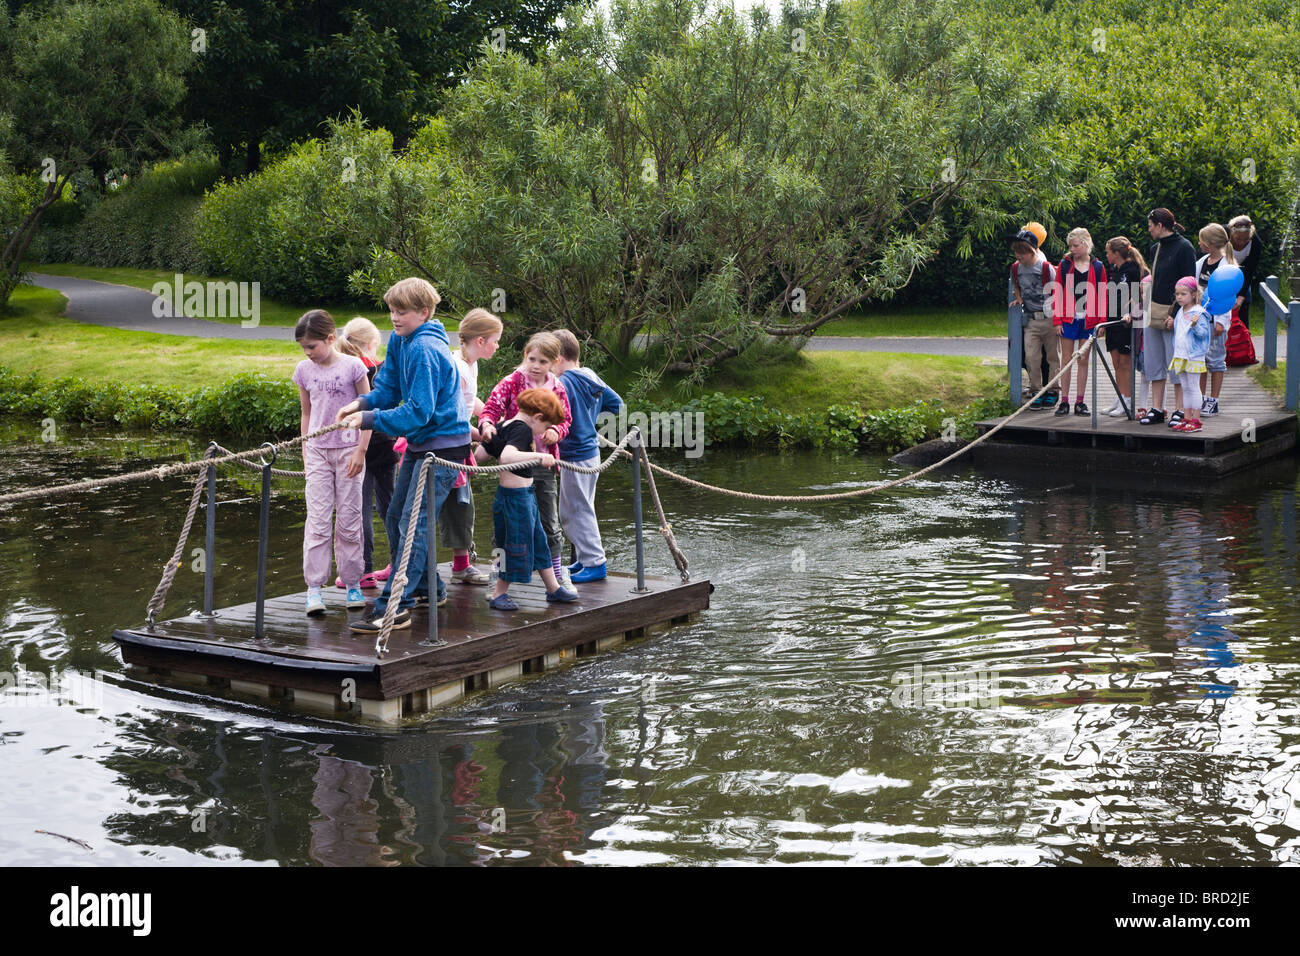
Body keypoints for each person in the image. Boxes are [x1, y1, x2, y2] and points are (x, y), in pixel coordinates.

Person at [336, 277, 471, 635]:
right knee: (398, 514)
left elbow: (418, 411)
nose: (394, 318)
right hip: (420, 442)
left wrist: (368, 418)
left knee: (415, 521)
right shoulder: (400, 339)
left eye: (403, 312)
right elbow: (389, 387)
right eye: (392, 310)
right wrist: (362, 402)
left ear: (423, 313)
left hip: (443, 445)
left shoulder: (426, 349)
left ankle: (395, 605)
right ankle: (429, 588)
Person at [292, 310, 371, 616]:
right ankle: (314, 588)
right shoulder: (303, 370)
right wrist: (305, 446)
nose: (307, 353)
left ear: (330, 338)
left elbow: (367, 411)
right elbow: (307, 413)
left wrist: (361, 451)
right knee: (318, 521)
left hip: (349, 450)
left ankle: (352, 582)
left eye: (312, 346)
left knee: (350, 520)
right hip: (318, 453)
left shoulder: (353, 367)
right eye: (303, 348)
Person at [478, 332, 573, 584]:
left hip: (545, 461)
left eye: (543, 361)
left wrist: (555, 430)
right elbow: (490, 409)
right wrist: (487, 425)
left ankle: (555, 574)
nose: (536, 365)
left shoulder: (557, 387)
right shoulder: (511, 382)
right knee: (507, 524)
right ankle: (499, 570)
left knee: (547, 521)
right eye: (532, 359)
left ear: (554, 363)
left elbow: (566, 420)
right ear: (525, 356)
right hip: (514, 466)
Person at [476, 388, 580, 611]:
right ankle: (498, 593)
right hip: (516, 501)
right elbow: (507, 457)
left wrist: (483, 437)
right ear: (537, 418)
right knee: (515, 545)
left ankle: (553, 587)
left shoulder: (504, 425)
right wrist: (540, 455)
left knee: (538, 542)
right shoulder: (522, 430)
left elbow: (481, 456)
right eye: (545, 427)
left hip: (521, 498)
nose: (542, 434)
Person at [551, 329, 624, 581]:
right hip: (590, 452)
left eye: (549, 360)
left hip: (574, 454)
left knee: (576, 511)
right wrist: (590, 415)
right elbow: (617, 405)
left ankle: (595, 563)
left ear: (559, 358)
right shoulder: (590, 376)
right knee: (578, 508)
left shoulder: (563, 383)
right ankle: (584, 560)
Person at [439, 308, 504, 586]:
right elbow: (453, 416)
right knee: (450, 506)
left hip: (458, 443)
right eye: (495, 340)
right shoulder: (459, 369)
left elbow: (471, 401)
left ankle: (461, 566)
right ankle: (413, 568)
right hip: (446, 444)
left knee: (462, 504)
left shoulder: (471, 364)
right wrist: (482, 435)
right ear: (480, 341)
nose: (498, 345)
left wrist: (493, 419)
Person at [334, 317, 397, 590]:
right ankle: (399, 563)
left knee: (360, 510)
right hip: (385, 443)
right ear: (371, 344)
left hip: (356, 444)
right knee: (390, 507)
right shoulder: (380, 370)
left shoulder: (344, 370)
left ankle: (364, 570)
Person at [1137, 207, 1197, 426]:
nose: (1149, 229)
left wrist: (1177, 314)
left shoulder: (1185, 248)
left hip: (1174, 314)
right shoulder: (1156, 248)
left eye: (1151, 225)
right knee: (1154, 363)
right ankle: (1157, 407)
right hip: (1153, 311)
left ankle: (1180, 409)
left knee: (1176, 363)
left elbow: (1190, 285)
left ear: (1160, 225)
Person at [1052, 227, 1107, 416]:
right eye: (1071, 246)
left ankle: (1080, 401)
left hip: (1089, 320)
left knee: (1083, 360)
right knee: (1066, 360)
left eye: (1075, 245)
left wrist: (1101, 322)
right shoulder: (1065, 265)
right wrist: (1057, 320)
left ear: (1085, 244)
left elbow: (1102, 295)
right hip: (1068, 318)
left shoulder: (1098, 267)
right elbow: (1056, 292)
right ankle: (1064, 401)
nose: (1072, 249)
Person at [1008, 229, 1059, 409]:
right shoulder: (1016, 268)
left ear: (1031, 251)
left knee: (1052, 357)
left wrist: (1058, 319)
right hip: (1031, 321)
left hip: (1049, 319)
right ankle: (1036, 390)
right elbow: (1016, 285)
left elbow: (1057, 291)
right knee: (1032, 357)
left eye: (1021, 252)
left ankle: (1053, 390)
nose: (1018, 255)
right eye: (1016, 252)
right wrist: (1019, 299)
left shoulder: (1045, 268)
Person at [1103, 237, 1149, 417]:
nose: (1106, 255)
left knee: (1125, 363)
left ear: (1116, 253)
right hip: (1112, 321)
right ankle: (1120, 397)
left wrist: (1131, 312)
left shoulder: (1133, 270)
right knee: (1116, 363)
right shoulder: (1113, 270)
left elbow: (1140, 297)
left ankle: (1128, 401)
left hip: (1127, 322)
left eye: (1108, 252)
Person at [1195, 224, 1236, 417]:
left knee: (1216, 360)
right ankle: (1200, 397)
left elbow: (1227, 295)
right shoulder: (1202, 261)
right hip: (1200, 318)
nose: (1199, 243)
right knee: (1200, 359)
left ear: (1210, 243)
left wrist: (1221, 321)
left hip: (1215, 318)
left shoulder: (1227, 265)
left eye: (1202, 240)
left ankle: (1214, 400)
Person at [1163, 277, 1211, 433]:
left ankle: (1196, 420)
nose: (1179, 297)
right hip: (1181, 354)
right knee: (1185, 387)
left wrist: (1196, 325)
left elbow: (1203, 335)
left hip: (1193, 355)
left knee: (1193, 386)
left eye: (1183, 294)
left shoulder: (1199, 313)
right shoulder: (1180, 312)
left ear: (1194, 294)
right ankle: (1187, 417)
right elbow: (1179, 332)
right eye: (1177, 294)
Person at [1227, 215, 1262, 329]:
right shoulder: (1223, 235)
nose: (1242, 243)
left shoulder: (1256, 243)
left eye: (1245, 240)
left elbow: (1250, 271)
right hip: (1223, 274)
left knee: (1244, 301)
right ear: (1232, 233)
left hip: (1243, 274)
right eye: (1238, 239)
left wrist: (1241, 296)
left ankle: (1243, 337)